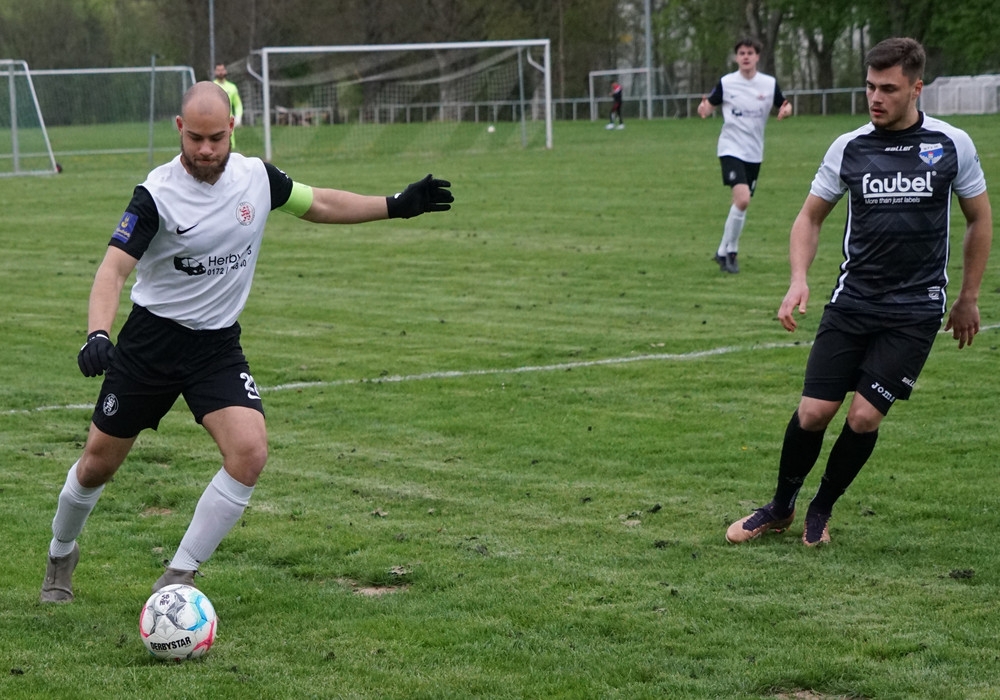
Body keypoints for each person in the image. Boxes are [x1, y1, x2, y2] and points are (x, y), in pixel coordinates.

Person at [39, 82, 453, 602]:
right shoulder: (156, 194)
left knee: (250, 452)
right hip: (151, 344)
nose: (205, 149)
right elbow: (113, 269)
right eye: (195, 138)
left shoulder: (257, 178)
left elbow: (320, 203)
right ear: (179, 129)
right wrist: (97, 333)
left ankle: (179, 576)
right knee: (97, 464)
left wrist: (395, 205)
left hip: (216, 347)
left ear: (232, 128)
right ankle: (61, 552)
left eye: (216, 138)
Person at [726, 37, 991, 546]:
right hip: (853, 302)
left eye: (888, 89)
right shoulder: (848, 146)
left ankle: (821, 509)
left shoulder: (950, 144)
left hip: (914, 309)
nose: (875, 97)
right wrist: (798, 278)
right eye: (870, 86)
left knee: (865, 416)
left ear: (916, 88)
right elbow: (809, 218)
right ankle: (780, 507)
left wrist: (968, 296)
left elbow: (979, 219)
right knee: (813, 412)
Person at [698, 38, 792, 274]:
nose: (746, 56)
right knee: (742, 200)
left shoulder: (768, 84)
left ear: (757, 57)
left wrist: (786, 110)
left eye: (750, 52)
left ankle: (722, 251)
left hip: (754, 152)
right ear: (736, 58)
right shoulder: (727, 83)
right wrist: (704, 108)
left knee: (740, 204)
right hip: (730, 148)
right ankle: (732, 252)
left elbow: (784, 104)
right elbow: (708, 106)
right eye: (741, 53)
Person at [213, 63, 243, 148]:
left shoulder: (232, 87)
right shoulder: (211, 86)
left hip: (227, 122)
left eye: (222, 70)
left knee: (229, 147)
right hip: (214, 121)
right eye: (218, 70)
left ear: (225, 71)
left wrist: (238, 116)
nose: (220, 72)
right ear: (215, 72)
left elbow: (238, 104)